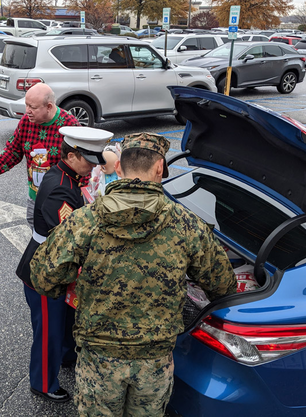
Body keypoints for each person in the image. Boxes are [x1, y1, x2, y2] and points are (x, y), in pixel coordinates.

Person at [30, 133, 237, 416]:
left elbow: (43, 276)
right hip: (155, 360)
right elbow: (224, 286)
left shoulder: (85, 220)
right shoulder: (188, 225)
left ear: (118, 168)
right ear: (160, 168)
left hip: (99, 357)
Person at [15, 126, 114, 403]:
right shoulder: (61, 188)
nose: (93, 168)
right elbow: (73, 238)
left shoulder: (65, 176)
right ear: (71, 156)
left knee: (65, 320)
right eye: (89, 161)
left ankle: (67, 357)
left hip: (57, 265)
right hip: (46, 272)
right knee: (49, 329)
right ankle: (43, 382)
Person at [0, 83, 82, 227]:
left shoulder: (69, 126)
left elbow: (82, 164)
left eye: (33, 107)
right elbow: (13, 150)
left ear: (49, 106)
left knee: (60, 238)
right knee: (36, 232)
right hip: (35, 196)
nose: (27, 111)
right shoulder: (26, 121)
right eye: (26, 105)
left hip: (61, 199)